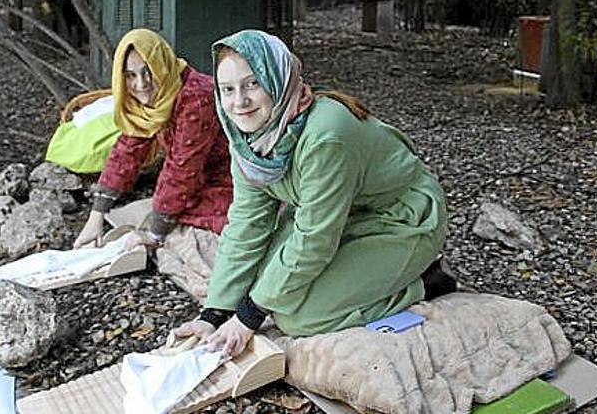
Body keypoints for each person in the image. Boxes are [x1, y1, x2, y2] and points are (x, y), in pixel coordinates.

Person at [169, 29, 454, 357]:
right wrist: (214, 314)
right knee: (264, 284)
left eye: (253, 84)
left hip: (401, 218)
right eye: (228, 89)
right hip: (341, 214)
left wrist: (247, 317)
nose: (239, 101)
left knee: (299, 316)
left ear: (277, 78)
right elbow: (248, 223)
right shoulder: (248, 139)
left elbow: (315, 239)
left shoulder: (325, 135)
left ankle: (426, 280)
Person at [73, 29, 233, 288]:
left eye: (148, 72)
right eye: (130, 75)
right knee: (165, 214)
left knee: (179, 228)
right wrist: (96, 217)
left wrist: (155, 233)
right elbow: (128, 148)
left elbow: (182, 169)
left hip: (227, 179)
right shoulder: (154, 98)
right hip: (198, 178)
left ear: (161, 64)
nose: (141, 84)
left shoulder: (196, 98)